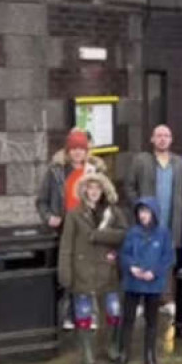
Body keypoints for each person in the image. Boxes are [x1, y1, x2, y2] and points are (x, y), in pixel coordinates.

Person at [37, 128, 106, 330]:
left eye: (81, 148)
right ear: (68, 151)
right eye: (73, 148)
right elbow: (41, 201)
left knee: (88, 273)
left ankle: (90, 315)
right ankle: (68, 315)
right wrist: (49, 217)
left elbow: (106, 199)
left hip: (88, 229)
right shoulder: (55, 171)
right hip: (65, 229)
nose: (77, 152)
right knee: (67, 272)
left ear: (87, 151)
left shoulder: (95, 172)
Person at [125, 125, 182, 336]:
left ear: (171, 140)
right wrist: (139, 208)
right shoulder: (141, 160)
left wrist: (181, 206)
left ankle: (166, 297)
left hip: (171, 220)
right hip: (146, 221)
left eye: (167, 136)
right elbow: (129, 186)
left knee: (166, 258)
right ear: (152, 139)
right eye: (159, 136)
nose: (163, 139)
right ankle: (143, 299)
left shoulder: (179, 163)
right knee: (143, 256)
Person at [59, 173, 128, 364]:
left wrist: (100, 235)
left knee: (114, 311)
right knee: (83, 313)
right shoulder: (74, 214)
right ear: (84, 190)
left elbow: (124, 235)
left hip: (108, 271)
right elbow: (66, 246)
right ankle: (87, 352)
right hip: (82, 271)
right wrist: (65, 273)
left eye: (98, 188)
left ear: (104, 190)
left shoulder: (113, 212)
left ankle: (112, 347)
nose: (94, 191)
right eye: (90, 188)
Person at [115, 198, 173, 364]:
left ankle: (150, 354)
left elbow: (168, 257)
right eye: (141, 212)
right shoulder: (132, 232)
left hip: (152, 283)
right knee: (128, 319)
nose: (143, 215)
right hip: (133, 282)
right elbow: (124, 254)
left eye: (147, 212)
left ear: (154, 213)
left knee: (151, 320)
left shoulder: (163, 233)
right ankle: (123, 354)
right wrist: (131, 267)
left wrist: (154, 272)